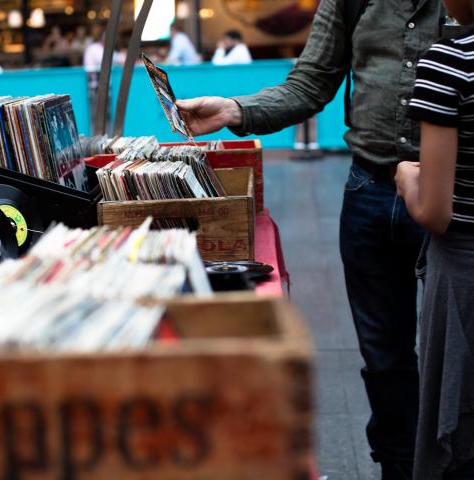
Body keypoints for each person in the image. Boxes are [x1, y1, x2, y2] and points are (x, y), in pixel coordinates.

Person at [176, 1, 445, 478]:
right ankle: (399, 468)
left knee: (456, 355)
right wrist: (235, 110)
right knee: (385, 359)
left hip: (455, 196)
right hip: (370, 191)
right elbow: (311, 83)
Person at [395, 3, 474, 479]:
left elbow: (434, 214)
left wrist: (407, 176)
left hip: (464, 275)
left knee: (460, 435)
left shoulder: (450, 61)